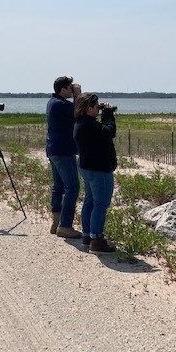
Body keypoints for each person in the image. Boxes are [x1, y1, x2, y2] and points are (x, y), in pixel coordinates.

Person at [73, 93, 117, 253]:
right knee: (100, 204)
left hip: (87, 167)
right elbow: (109, 132)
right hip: (99, 170)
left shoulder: (80, 123)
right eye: (96, 106)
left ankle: (87, 235)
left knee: (90, 201)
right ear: (89, 108)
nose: (98, 109)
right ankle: (97, 240)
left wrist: (104, 113)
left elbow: (103, 132)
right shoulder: (90, 125)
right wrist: (109, 114)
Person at [46, 76, 83, 238]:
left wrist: (74, 96)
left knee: (58, 187)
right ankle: (65, 225)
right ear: (63, 90)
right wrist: (78, 95)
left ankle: (56, 222)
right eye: (69, 88)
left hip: (53, 149)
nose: (71, 90)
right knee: (72, 187)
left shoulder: (52, 102)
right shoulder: (61, 104)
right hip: (64, 151)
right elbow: (79, 112)